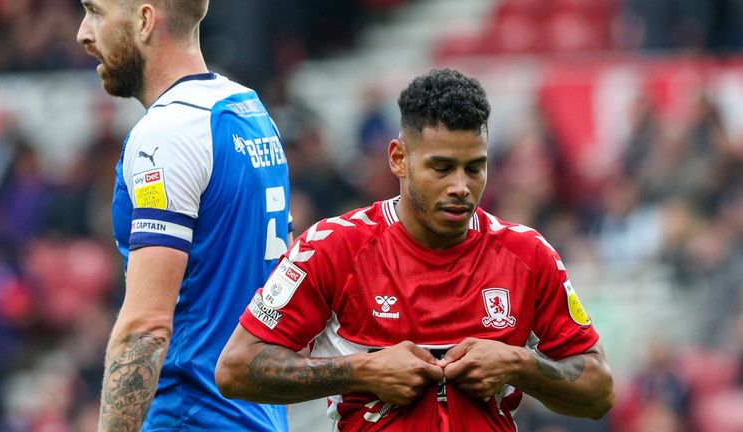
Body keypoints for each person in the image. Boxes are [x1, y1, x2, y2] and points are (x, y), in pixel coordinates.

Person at [215, 69, 614, 431]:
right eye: (442, 168)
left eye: (474, 168)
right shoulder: (334, 247)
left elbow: (599, 393)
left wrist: (520, 364)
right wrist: (363, 370)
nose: (461, 186)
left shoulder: (527, 254)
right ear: (399, 159)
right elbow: (236, 369)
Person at [76, 1, 290, 431]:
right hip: (257, 416)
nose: (83, 33)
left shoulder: (167, 134)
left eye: (96, 12)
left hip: (191, 416)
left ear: (144, 19)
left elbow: (147, 327)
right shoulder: (249, 112)